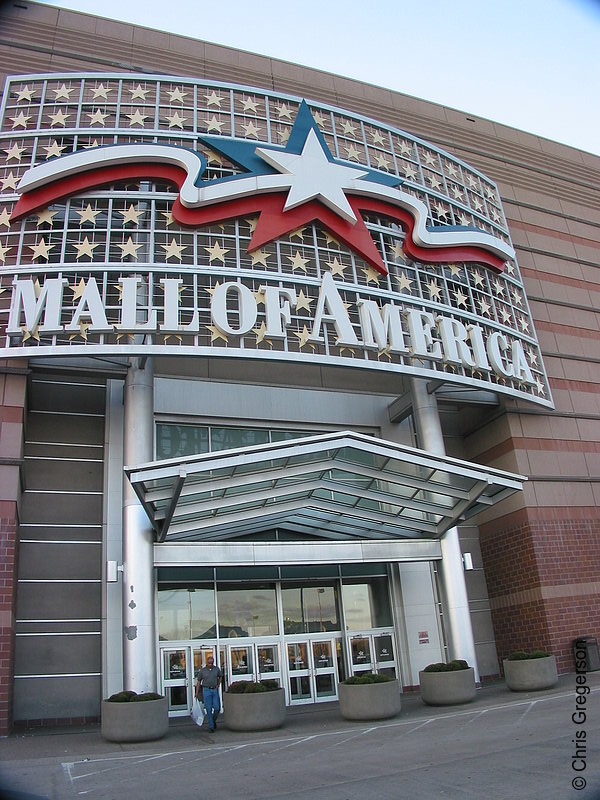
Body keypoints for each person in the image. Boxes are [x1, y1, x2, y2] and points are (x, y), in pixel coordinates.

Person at [195, 655, 222, 733]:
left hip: (214, 690)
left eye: (212, 663)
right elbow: (199, 681)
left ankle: (213, 721)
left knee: (217, 708)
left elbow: (220, 676)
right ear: (207, 663)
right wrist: (196, 693)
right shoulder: (202, 671)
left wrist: (218, 684)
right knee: (209, 709)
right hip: (206, 690)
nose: (210, 664)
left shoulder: (216, 669)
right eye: (209, 663)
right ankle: (211, 727)